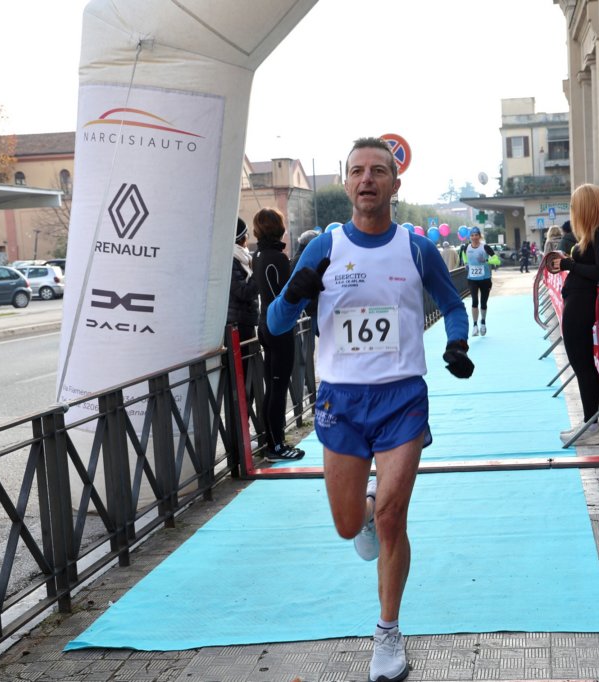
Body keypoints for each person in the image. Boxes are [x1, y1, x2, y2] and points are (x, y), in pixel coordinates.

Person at [267, 136, 472, 682]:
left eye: (378, 171)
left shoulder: (416, 248)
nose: (366, 180)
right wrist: (296, 292)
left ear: (394, 184)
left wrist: (457, 342)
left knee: (392, 520)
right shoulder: (325, 247)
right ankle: (366, 508)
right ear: (346, 183)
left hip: (402, 398)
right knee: (347, 525)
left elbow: (452, 304)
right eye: (357, 171)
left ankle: (387, 633)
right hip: (340, 400)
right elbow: (275, 324)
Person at [549, 184, 599, 447]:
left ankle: (592, 425)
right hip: (577, 301)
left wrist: (570, 264)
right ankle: (590, 421)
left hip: (580, 304)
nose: (573, 210)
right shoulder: (595, 234)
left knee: (583, 365)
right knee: (582, 365)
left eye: (575, 205)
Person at [252, 208, 305, 463]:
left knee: (272, 387)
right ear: (278, 227)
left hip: (264, 325)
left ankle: (272, 442)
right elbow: (287, 296)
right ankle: (276, 445)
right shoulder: (277, 258)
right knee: (278, 387)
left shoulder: (258, 255)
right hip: (279, 328)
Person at [227, 217, 259, 419]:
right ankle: (240, 426)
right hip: (237, 325)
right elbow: (242, 291)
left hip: (245, 322)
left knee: (250, 377)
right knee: (244, 378)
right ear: (241, 237)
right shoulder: (230, 259)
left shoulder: (242, 257)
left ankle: (243, 424)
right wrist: (258, 275)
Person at [458, 226, 495, 336]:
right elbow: (464, 255)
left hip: (485, 279)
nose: (474, 237)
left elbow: (497, 260)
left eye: (476, 235)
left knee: (483, 302)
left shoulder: (485, 247)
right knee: (474, 301)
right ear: (470, 237)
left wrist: (486, 260)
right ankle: (474, 325)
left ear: (479, 236)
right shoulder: (466, 247)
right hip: (472, 279)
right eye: (472, 235)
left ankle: (483, 322)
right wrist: (466, 263)